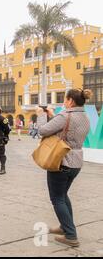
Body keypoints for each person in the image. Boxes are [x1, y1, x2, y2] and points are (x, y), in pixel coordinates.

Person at [36, 89, 92, 248]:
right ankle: (65, 227)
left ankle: (71, 236)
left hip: (61, 161)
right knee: (63, 195)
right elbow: (66, 128)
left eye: (65, 99)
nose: (64, 102)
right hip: (76, 163)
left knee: (57, 198)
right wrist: (54, 115)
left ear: (71, 101)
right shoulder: (84, 116)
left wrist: (41, 114)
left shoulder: (65, 115)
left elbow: (42, 131)